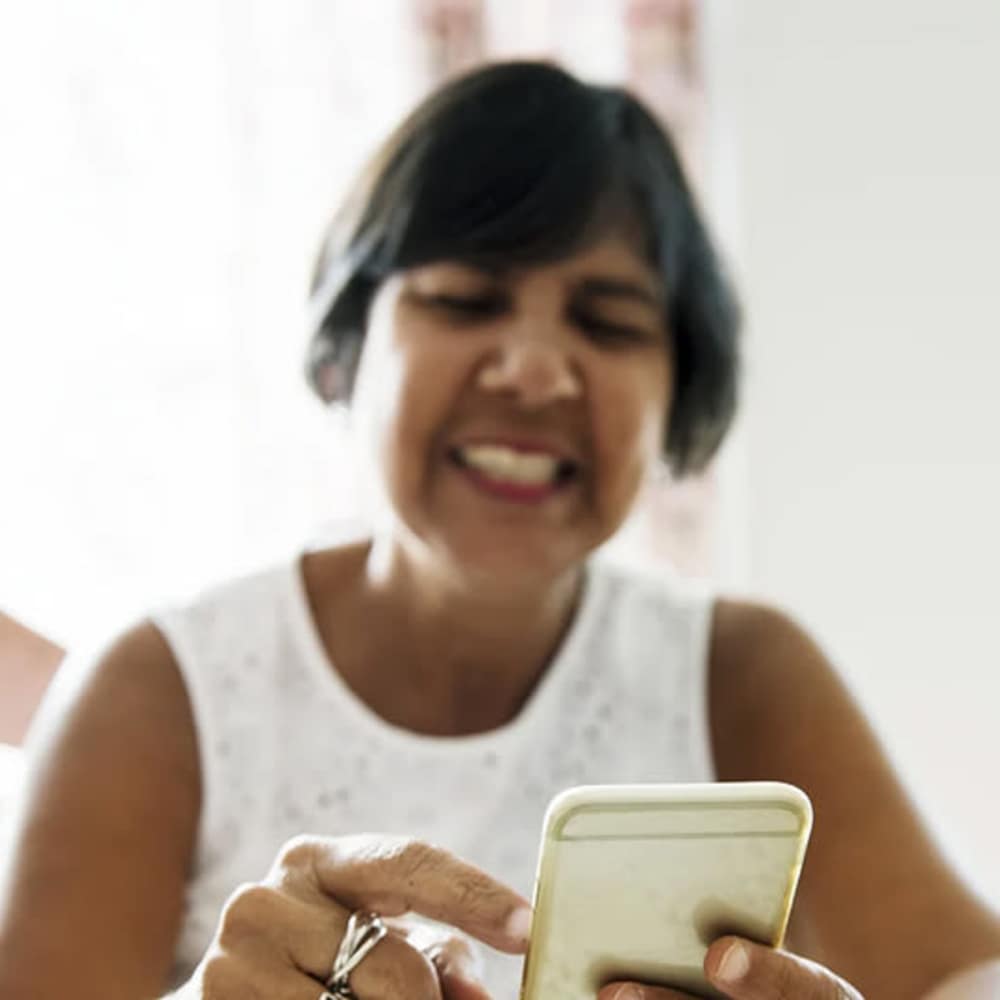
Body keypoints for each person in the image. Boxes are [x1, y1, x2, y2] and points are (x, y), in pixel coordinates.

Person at [1, 60, 997, 1000]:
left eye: (606, 322)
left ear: (677, 393)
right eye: (465, 300)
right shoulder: (156, 685)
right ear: (347, 351)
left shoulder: (744, 670)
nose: (532, 369)